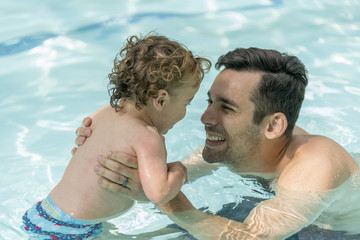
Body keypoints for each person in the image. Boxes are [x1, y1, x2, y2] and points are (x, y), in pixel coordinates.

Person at [75, 47, 360, 240]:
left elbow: (252, 238)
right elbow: (186, 168)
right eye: (209, 102)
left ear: (273, 126)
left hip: (332, 231)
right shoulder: (249, 140)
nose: (205, 117)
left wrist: (162, 197)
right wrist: (113, 141)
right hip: (271, 209)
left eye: (226, 108)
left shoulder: (316, 165)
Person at [21, 33, 211, 239]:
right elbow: (159, 193)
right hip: (78, 230)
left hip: (44, 213)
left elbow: (84, 136)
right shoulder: (148, 137)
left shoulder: (103, 113)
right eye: (187, 103)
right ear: (161, 100)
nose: (185, 112)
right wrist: (179, 171)